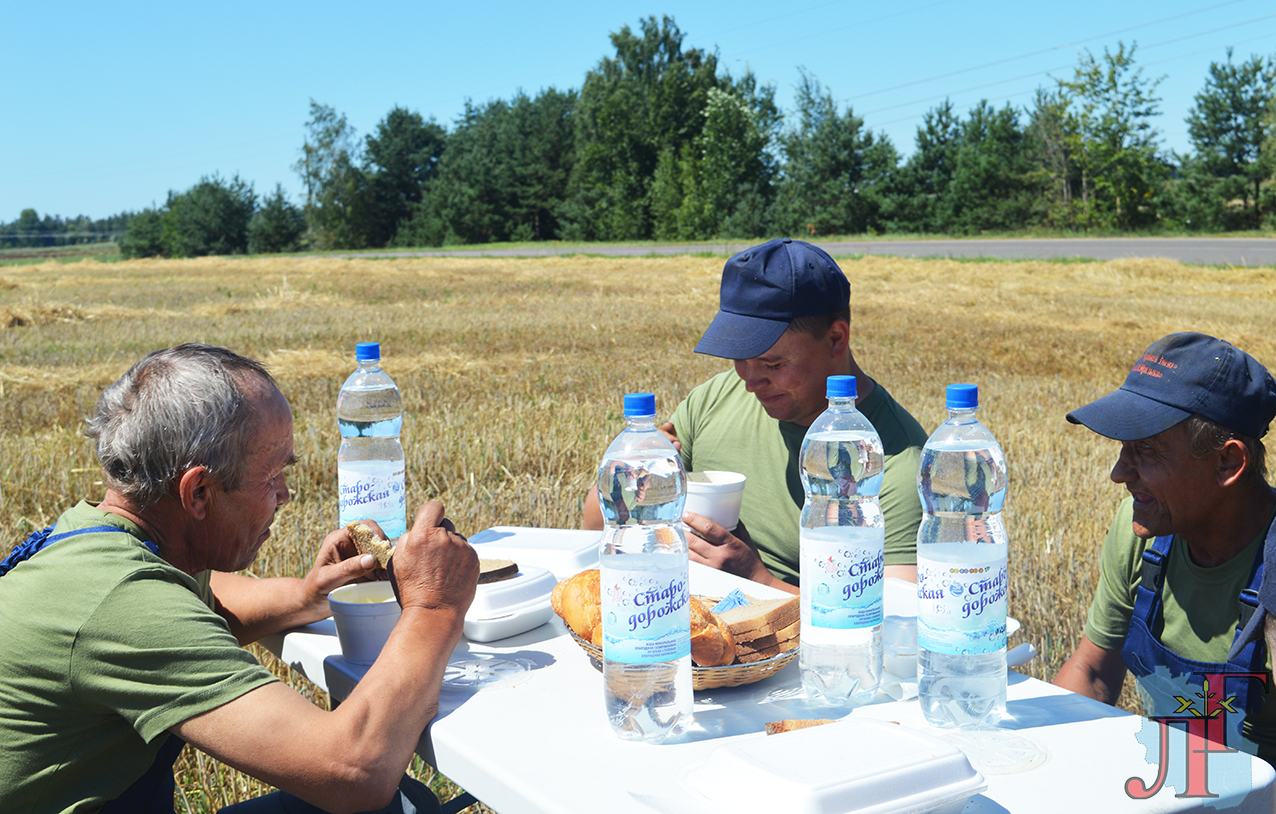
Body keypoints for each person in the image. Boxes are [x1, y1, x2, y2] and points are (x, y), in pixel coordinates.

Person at [0, 344, 479, 814]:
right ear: (199, 492)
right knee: (392, 807)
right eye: (271, 476)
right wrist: (434, 607)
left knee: (407, 803)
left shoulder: (97, 538)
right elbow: (353, 772)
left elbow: (210, 606)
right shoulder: (123, 604)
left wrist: (309, 595)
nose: (285, 495)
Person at [583, 238, 928, 593]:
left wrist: (755, 580)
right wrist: (633, 476)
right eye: (739, 358)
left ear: (836, 338)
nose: (750, 382)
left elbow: (892, 619)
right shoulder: (714, 399)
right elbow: (595, 528)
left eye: (773, 363)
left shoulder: (895, 462)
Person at [1052, 332, 1276, 762]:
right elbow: (1093, 672)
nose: (1119, 473)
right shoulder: (1144, 535)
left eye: (1147, 449)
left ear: (1228, 462)